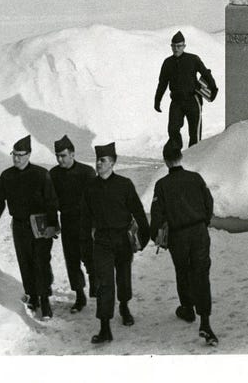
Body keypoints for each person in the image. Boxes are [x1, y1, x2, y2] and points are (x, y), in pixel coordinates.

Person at [81, 143, 150, 344]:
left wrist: (143, 238)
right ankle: (105, 328)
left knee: (123, 275)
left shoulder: (124, 184)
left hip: (122, 239)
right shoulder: (90, 187)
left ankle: (125, 306)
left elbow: (138, 212)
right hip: (101, 241)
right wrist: (85, 246)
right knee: (105, 283)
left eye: (102, 160)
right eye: (97, 160)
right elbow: (85, 219)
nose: (98, 164)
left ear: (112, 162)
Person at [150, 142, 218, 345]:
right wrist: (203, 222)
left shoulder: (161, 185)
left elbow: (157, 215)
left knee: (183, 271)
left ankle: (187, 308)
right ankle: (205, 321)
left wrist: (157, 236)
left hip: (178, 236)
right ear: (181, 157)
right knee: (201, 273)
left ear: (165, 161)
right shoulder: (195, 178)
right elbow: (209, 203)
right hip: (199, 232)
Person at [0, 135, 59, 318]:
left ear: (29, 155)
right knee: (25, 262)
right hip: (19, 226)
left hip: (40, 225)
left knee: (40, 262)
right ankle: (33, 296)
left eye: (20, 155)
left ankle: (44, 300)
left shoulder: (41, 174)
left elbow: (51, 202)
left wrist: (53, 225)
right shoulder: (7, 176)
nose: (16, 158)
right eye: (14, 154)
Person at [50, 134, 96, 312]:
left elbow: (95, 200)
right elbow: (51, 201)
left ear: (72, 154)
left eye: (63, 155)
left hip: (86, 221)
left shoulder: (87, 172)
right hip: (68, 221)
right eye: (58, 156)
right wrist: (53, 223)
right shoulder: (53, 174)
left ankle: (95, 284)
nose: (60, 159)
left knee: (90, 256)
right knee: (72, 260)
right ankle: (79, 296)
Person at [154, 33, 218, 151]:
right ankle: (176, 155)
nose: (176, 49)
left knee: (194, 132)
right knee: (173, 129)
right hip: (176, 101)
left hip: (193, 100)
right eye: (173, 46)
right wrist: (157, 100)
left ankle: (194, 158)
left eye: (179, 46)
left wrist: (214, 89)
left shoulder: (193, 59)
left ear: (184, 46)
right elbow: (162, 83)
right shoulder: (168, 62)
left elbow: (205, 73)